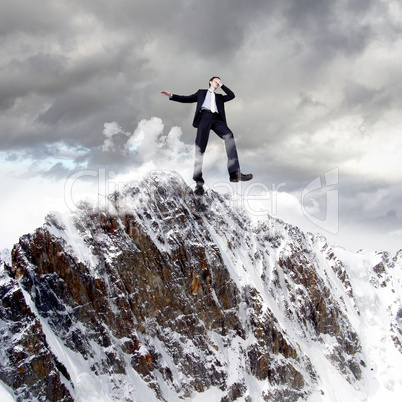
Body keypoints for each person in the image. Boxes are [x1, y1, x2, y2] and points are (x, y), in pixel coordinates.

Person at [161, 76, 253, 195]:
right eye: (216, 80)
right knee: (200, 148)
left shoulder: (220, 97)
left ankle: (235, 173)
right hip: (204, 117)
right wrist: (172, 95)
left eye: (219, 81)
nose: (218, 82)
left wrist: (222, 85)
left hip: (217, 119)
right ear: (210, 82)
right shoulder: (201, 92)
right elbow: (187, 98)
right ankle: (199, 184)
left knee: (229, 136)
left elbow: (231, 95)